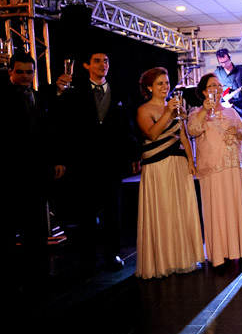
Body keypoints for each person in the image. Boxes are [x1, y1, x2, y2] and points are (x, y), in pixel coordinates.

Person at [57, 49, 139, 272]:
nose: (103, 65)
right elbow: (63, 127)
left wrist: (133, 155)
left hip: (112, 162)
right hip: (84, 162)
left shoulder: (119, 91)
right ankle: (88, 257)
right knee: (86, 212)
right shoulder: (74, 92)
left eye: (105, 61)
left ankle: (113, 254)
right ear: (87, 65)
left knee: (113, 210)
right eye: (97, 61)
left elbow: (128, 125)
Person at [1, 53, 64, 289]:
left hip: (38, 172)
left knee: (36, 226)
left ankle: (38, 273)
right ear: (10, 72)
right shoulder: (2, 96)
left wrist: (57, 160)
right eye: (20, 71)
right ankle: (11, 277)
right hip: (11, 173)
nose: (25, 76)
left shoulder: (40, 97)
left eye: (29, 72)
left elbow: (51, 132)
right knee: (9, 226)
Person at [135, 67, 204, 279]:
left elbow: (183, 136)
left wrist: (191, 160)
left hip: (178, 164)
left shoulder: (176, 107)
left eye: (166, 83)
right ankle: (163, 260)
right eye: (159, 83)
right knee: (163, 209)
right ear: (149, 87)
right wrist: (167, 113)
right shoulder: (144, 110)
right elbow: (152, 134)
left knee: (179, 210)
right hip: (158, 167)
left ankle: (181, 257)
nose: (165, 87)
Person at [187, 73, 242, 267]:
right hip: (212, 168)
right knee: (217, 209)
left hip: (234, 166)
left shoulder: (230, 111)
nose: (216, 89)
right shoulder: (196, 112)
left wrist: (237, 132)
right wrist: (204, 111)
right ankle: (219, 255)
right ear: (203, 91)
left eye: (218, 86)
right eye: (211, 86)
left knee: (236, 207)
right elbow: (192, 130)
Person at [214, 48, 242, 129]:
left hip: (239, 103)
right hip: (224, 105)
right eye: (221, 62)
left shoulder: (240, 70)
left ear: (230, 58)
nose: (224, 64)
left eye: (226, 61)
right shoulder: (217, 73)